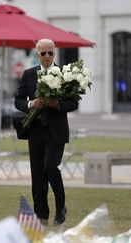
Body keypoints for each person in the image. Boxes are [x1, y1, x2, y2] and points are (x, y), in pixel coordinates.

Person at [14, 39, 78, 226]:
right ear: (37, 55)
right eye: (44, 53)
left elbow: (73, 103)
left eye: (51, 53)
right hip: (35, 131)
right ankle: (41, 216)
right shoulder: (28, 75)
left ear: (54, 53)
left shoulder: (65, 75)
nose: (48, 57)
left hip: (56, 131)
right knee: (38, 175)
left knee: (50, 167)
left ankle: (61, 208)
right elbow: (18, 100)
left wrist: (55, 103)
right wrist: (31, 104)